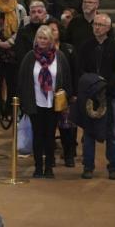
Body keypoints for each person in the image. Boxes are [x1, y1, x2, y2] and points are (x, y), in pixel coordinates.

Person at [18, 25, 72, 179]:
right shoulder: (30, 57)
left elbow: (66, 78)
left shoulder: (59, 56)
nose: (42, 41)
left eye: (45, 38)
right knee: (38, 135)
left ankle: (49, 167)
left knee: (50, 136)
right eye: (40, 38)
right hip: (35, 103)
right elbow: (22, 80)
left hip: (53, 103)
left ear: (51, 40)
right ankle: (38, 167)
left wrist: (66, 96)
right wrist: (23, 102)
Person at [77, 11, 115, 180]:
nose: (97, 27)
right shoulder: (85, 46)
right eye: (95, 24)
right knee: (88, 132)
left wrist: (105, 86)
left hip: (109, 95)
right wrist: (93, 85)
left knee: (112, 132)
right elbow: (80, 69)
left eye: (100, 25)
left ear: (108, 28)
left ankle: (113, 167)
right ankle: (88, 166)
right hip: (90, 94)